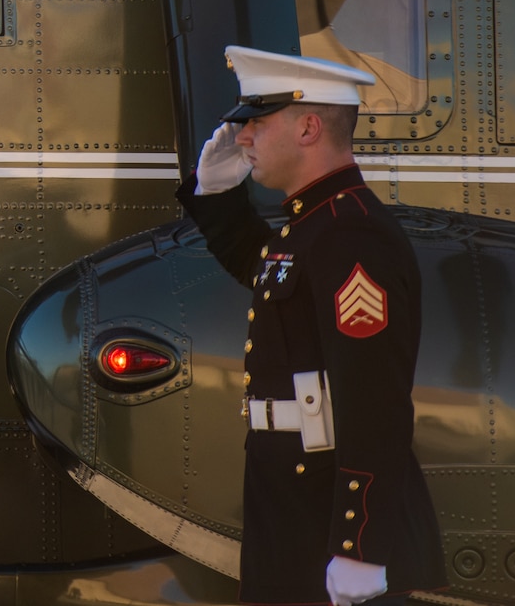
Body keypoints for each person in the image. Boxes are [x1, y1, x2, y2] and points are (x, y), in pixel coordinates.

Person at [178, 45, 445, 605]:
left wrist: (359, 545)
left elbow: (374, 400)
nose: (242, 137)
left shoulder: (352, 235)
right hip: (290, 503)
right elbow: (267, 274)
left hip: (325, 510)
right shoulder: (312, 226)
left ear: (308, 127)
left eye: (255, 122)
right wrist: (219, 196)